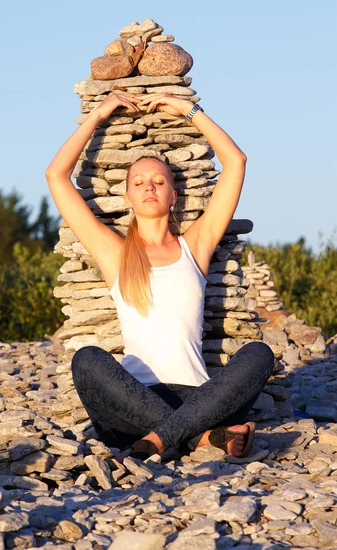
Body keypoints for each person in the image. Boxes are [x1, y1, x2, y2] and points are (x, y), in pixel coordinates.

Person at [46, 90, 274, 463]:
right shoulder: (115, 253)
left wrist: (190, 110)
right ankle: (198, 439)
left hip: (199, 400)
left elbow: (235, 162)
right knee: (87, 359)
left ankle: (171, 436)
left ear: (173, 195)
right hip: (132, 405)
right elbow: (56, 176)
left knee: (259, 354)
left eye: (158, 181)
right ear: (129, 198)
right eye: (138, 182)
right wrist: (98, 116)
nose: (149, 186)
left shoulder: (195, 246)